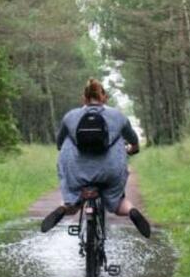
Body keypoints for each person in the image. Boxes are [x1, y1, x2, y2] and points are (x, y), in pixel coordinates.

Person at [40, 78, 151, 238]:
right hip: (110, 171)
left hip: (77, 171)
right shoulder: (118, 116)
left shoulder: (70, 116)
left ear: (84, 98)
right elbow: (133, 141)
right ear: (104, 98)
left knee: (73, 203)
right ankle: (131, 211)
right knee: (117, 202)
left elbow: (59, 143)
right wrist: (132, 149)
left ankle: (64, 208)